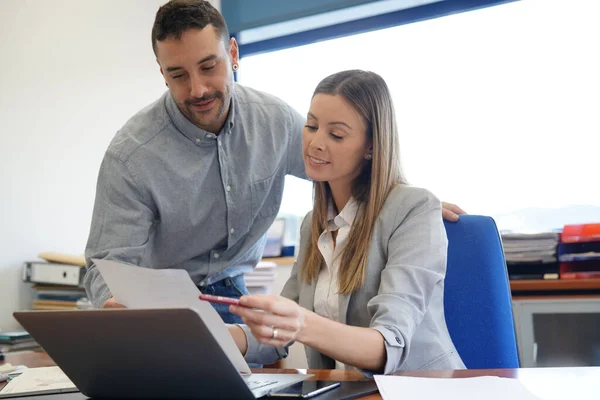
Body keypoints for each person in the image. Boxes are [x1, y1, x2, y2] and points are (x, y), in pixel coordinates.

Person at [83, 0, 465, 323]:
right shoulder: (131, 156)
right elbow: (106, 262)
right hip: (159, 307)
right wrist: (113, 308)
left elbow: (342, 160)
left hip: (235, 300)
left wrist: (400, 200)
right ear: (162, 73)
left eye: (208, 66)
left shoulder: (274, 121)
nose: (197, 88)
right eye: (178, 74)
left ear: (232, 54)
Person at [227, 70, 466, 374]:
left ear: (371, 146)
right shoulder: (313, 223)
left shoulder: (413, 209)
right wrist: (214, 335)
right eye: (311, 126)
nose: (315, 143)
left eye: (336, 134)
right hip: (345, 391)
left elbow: (388, 345)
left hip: (417, 389)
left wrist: (300, 323)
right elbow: (276, 336)